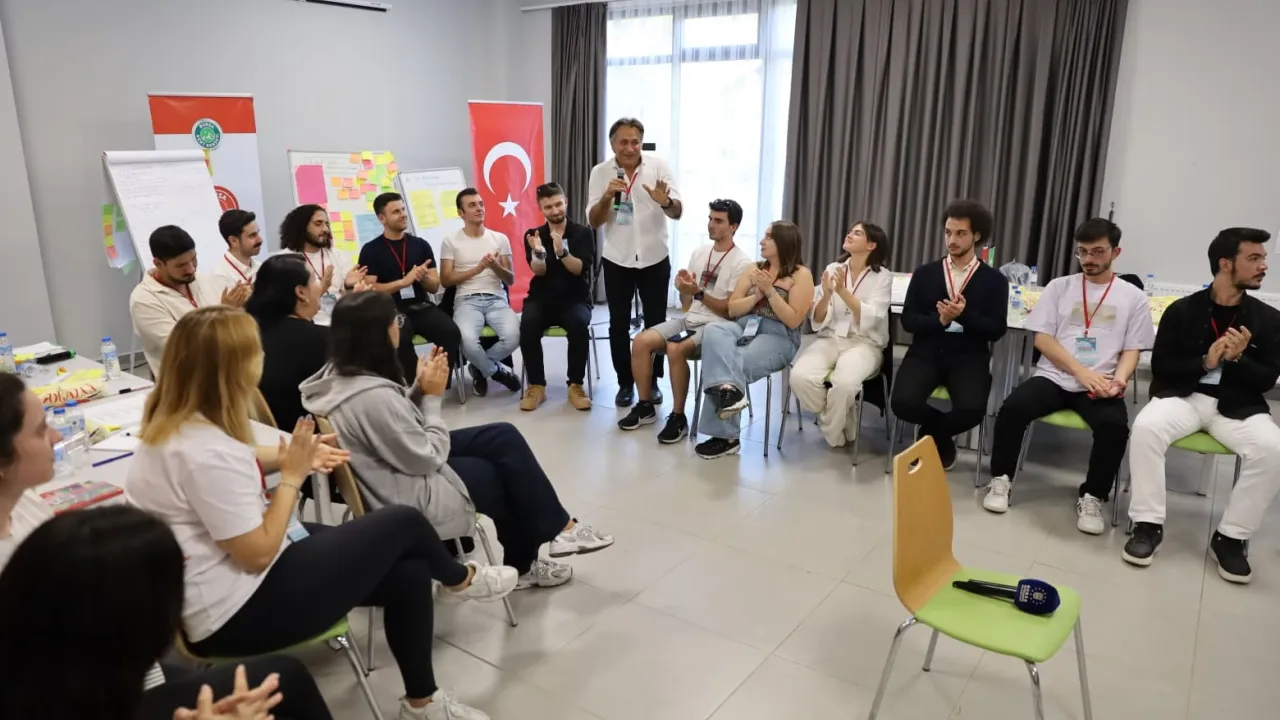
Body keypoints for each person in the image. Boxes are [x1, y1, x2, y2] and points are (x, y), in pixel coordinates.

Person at [125, 306, 518, 720]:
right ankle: (460, 580)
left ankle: (423, 702)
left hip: (235, 583)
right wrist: (292, 477)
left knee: (410, 572)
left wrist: (290, 454)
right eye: (256, 352)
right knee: (403, 520)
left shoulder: (175, 423)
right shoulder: (205, 454)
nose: (263, 358)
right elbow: (256, 553)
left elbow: (242, 455)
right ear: (235, 369)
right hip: (237, 611)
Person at [0, 375, 335, 720]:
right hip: (87, 697)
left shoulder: (24, 506)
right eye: (40, 431)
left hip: (112, 680)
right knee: (285, 678)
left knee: (285, 677)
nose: (57, 437)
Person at [300, 291, 614, 590]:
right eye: (395, 321)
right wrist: (432, 398)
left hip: (397, 467)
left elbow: (394, 428)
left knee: (502, 436)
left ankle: (560, 530)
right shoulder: (371, 396)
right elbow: (427, 456)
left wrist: (419, 389)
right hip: (407, 489)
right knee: (500, 477)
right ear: (376, 334)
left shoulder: (341, 375)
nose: (399, 326)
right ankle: (527, 563)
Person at [1123, 227, 1280, 584]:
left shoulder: (1269, 320)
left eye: (1263, 258)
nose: (1264, 265)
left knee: (1273, 449)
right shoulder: (1182, 310)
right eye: (1254, 258)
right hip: (1184, 397)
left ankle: (1231, 537)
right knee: (1146, 428)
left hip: (1238, 405)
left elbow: (1266, 380)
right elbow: (1162, 367)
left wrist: (1238, 359)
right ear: (1226, 264)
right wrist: (1205, 363)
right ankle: (1147, 525)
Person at [982, 219, 1153, 534]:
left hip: (1101, 383)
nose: (1088, 259)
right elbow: (1042, 339)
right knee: (1013, 408)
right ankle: (1001, 478)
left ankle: (1093, 495)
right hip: (1055, 377)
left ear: (1116, 252)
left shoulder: (1133, 297)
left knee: (1114, 428)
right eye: (1082, 252)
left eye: (1097, 252)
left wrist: (1120, 379)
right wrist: (1080, 371)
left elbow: (1133, 349)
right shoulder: (1060, 287)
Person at [618, 199, 753, 443]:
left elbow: (730, 312)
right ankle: (645, 406)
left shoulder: (742, 263)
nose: (711, 225)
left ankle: (678, 417)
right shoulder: (700, 253)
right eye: (710, 219)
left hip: (716, 327)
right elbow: (687, 304)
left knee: (675, 347)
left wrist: (698, 292)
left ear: (733, 226)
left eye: (718, 221)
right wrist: (684, 289)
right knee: (640, 341)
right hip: (690, 319)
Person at [890, 200, 1009, 469]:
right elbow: (908, 321)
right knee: (902, 402)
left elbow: (996, 329)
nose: (952, 240)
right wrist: (941, 320)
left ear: (977, 235)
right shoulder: (925, 273)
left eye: (960, 233)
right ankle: (939, 435)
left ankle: (931, 435)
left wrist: (963, 315)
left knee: (972, 409)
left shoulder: (994, 280)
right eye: (948, 232)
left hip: (969, 356)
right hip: (926, 352)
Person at [693, 221, 815, 459]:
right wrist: (756, 296)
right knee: (714, 330)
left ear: (784, 242)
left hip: (778, 335)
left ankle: (726, 438)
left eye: (769, 237)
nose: (762, 241)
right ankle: (730, 393)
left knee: (731, 362)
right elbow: (733, 309)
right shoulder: (753, 269)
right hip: (744, 325)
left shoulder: (801, 275)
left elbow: (793, 320)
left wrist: (770, 291)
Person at [588, 117, 683, 408]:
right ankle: (625, 382)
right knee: (617, 324)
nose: (630, 148)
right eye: (623, 142)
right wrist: (606, 197)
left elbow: (677, 212)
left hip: (654, 258)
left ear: (641, 142)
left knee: (656, 324)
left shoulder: (658, 167)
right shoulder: (600, 172)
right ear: (613, 144)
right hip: (618, 258)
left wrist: (665, 201)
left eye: (635, 142)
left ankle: (651, 381)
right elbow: (594, 220)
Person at [790, 221, 894, 448]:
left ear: (871, 245)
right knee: (799, 377)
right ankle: (842, 414)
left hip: (864, 343)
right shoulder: (833, 268)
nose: (849, 235)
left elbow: (873, 316)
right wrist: (827, 294)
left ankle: (832, 425)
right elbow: (818, 317)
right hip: (831, 338)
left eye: (857, 233)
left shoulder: (883, 277)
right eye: (850, 231)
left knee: (845, 385)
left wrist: (842, 291)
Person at [359, 192, 463, 383]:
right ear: (382, 218)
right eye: (396, 212)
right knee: (399, 341)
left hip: (421, 307)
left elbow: (434, 286)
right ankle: (416, 384)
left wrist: (423, 278)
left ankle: (438, 380)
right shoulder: (371, 250)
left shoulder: (420, 245)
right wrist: (403, 282)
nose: (403, 214)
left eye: (403, 209)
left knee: (451, 333)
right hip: (392, 311)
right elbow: (369, 289)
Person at [130, 225, 251, 375]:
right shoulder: (144, 300)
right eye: (181, 265)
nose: (191, 269)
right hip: (185, 383)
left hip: (226, 374)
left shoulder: (204, 280)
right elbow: (183, 347)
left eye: (194, 260)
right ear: (158, 263)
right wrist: (223, 313)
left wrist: (246, 302)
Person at [519, 182, 597, 411]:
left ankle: (575, 385)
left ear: (566, 202)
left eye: (558, 204)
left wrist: (561, 252)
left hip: (575, 297)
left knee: (579, 324)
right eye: (548, 207)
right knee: (528, 323)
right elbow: (538, 271)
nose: (554, 210)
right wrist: (539, 253)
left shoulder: (582, 233)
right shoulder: (534, 235)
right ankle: (536, 386)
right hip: (541, 297)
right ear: (541, 209)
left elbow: (579, 269)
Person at [441, 188, 521, 396]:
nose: (479, 208)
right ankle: (497, 372)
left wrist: (494, 266)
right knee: (467, 341)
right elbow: (446, 279)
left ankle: (479, 367)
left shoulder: (499, 238)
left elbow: (510, 279)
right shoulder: (450, 240)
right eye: (472, 205)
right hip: (466, 300)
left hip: (496, 299)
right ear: (460, 213)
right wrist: (477, 270)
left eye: (481, 204)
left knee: (514, 336)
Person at [244, 254, 329, 429]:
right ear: (301, 293)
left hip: (270, 433)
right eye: (314, 280)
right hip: (311, 434)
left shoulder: (249, 334)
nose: (320, 285)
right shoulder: (319, 339)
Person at [277, 203, 366, 325]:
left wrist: (348, 287)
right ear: (301, 227)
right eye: (318, 224)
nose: (325, 229)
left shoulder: (338, 255)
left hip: (341, 323)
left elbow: (347, 298)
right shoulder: (283, 260)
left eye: (326, 224)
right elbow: (283, 305)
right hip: (305, 326)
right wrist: (322, 289)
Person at [212, 208, 263, 294]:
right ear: (234, 241)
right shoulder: (220, 277)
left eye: (258, 233)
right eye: (252, 235)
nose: (260, 240)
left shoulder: (261, 267)